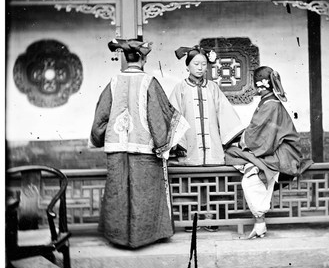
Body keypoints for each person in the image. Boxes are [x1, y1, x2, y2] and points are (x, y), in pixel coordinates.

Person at [89, 38, 190, 248]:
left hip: (117, 148)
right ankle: (145, 236)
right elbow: (159, 116)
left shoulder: (113, 82)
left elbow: (101, 116)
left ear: (126, 59)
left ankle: (118, 237)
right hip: (145, 150)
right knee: (145, 192)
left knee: (119, 190)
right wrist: (164, 144)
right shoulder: (149, 81)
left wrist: (99, 138)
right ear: (142, 59)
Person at [226, 66, 313, 239]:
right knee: (239, 157)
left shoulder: (270, 104)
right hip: (276, 148)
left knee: (245, 167)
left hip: (283, 153)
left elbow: (258, 135)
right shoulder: (269, 101)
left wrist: (242, 141)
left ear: (260, 85)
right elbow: (258, 131)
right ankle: (260, 223)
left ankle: (260, 223)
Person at [169, 46, 245, 231]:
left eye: (204, 64)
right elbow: (172, 116)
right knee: (190, 183)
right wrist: (178, 143)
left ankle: (212, 219)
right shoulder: (179, 89)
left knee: (213, 182)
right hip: (190, 144)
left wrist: (229, 137)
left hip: (212, 145)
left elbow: (225, 114)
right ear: (187, 66)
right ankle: (190, 220)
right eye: (196, 63)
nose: (200, 67)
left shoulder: (213, 88)